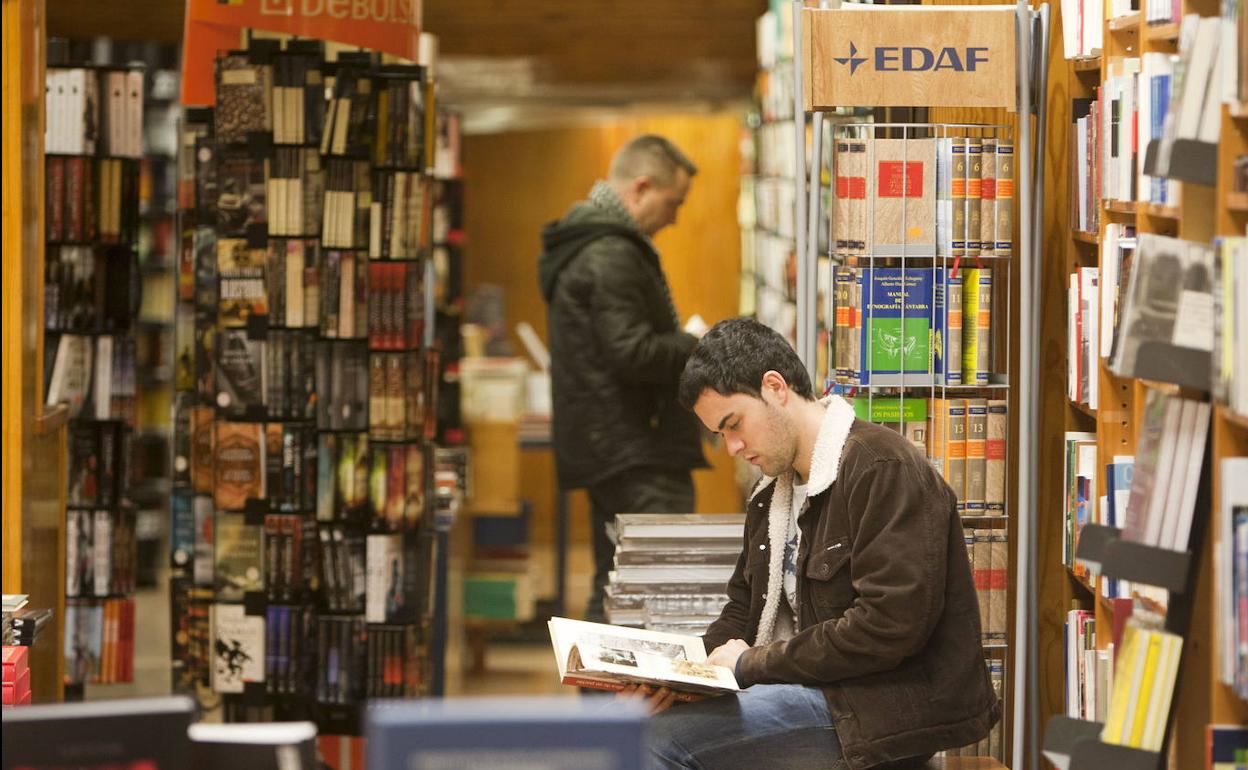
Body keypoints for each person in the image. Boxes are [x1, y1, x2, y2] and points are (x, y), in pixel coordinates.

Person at [640, 317, 999, 770]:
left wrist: (751, 665)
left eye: (734, 424)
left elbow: (886, 629)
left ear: (775, 387)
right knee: (628, 723)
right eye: (720, 435)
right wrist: (678, 677)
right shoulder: (772, 492)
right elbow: (743, 608)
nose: (732, 447)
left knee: (652, 742)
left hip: (873, 708)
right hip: (806, 690)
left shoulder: (883, 469)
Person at [538, 135, 709, 622]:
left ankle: (607, 698)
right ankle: (613, 699)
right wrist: (693, 341)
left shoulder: (590, 245)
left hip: (612, 444)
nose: (675, 217)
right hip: (637, 449)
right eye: (672, 203)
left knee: (618, 579)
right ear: (640, 188)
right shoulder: (611, 253)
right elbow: (631, 352)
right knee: (647, 587)